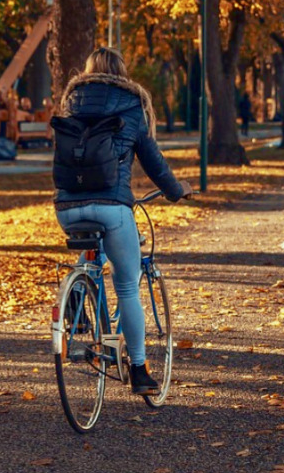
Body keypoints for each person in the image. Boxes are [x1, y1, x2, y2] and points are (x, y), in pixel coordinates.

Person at [53, 47, 192, 395]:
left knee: (89, 248)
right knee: (127, 285)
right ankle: (141, 370)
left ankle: (78, 289)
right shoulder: (132, 104)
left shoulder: (70, 101)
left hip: (66, 207)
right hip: (113, 207)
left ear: (87, 71)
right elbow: (153, 162)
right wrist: (177, 191)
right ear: (122, 72)